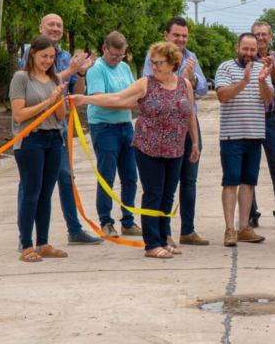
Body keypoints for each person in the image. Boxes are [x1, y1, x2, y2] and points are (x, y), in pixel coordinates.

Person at [74, 42, 200, 259]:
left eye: (159, 63)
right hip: (148, 147)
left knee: (168, 195)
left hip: (176, 149)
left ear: (172, 63)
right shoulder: (145, 84)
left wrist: (195, 142)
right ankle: (152, 244)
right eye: (152, 63)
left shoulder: (184, 84)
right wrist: (86, 99)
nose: (155, 67)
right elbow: (117, 98)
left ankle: (163, 237)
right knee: (153, 194)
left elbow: (189, 115)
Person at [19, 14, 99, 245]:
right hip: (33, 126)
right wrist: (71, 70)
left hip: (58, 125)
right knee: (29, 183)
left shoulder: (65, 56)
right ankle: (25, 236)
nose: (55, 29)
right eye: (51, 24)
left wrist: (81, 73)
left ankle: (74, 229)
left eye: (59, 26)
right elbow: (41, 80)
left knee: (65, 175)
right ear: (40, 27)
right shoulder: (31, 53)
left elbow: (76, 90)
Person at [143, 17, 210, 247]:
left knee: (188, 179)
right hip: (161, 130)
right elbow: (150, 83)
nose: (181, 40)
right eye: (177, 35)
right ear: (166, 35)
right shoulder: (156, 56)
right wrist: (181, 75)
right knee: (164, 185)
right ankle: (164, 233)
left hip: (187, 124)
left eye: (184, 36)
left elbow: (202, 89)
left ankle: (188, 230)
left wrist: (192, 77)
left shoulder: (192, 57)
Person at [10, 36, 69, 262]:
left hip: (54, 139)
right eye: (44, 56)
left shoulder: (53, 79)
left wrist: (58, 101)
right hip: (30, 141)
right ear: (32, 53)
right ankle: (26, 244)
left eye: (52, 57)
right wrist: (48, 102)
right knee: (31, 192)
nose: (47, 61)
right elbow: (19, 114)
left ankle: (43, 242)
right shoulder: (21, 78)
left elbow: (61, 116)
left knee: (46, 193)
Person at [216, 33, 273, 247]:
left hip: (255, 134)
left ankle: (244, 227)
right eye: (245, 49)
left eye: (252, 49)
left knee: (249, 182)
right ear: (237, 48)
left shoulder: (261, 69)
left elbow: (269, 99)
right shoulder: (225, 68)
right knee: (230, 182)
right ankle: (230, 229)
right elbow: (222, 96)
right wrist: (244, 81)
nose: (249, 54)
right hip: (232, 135)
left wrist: (260, 81)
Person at [84, 31, 139, 238]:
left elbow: (135, 93)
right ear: (104, 49)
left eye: (121, 55)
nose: (117, 60)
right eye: (113, 55)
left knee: (130, 177)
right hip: (104, 128)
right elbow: (100, 99)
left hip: (126, 125)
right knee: (106, 176)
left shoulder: (124, 68)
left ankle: (128, 220)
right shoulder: (96, 69)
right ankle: (106, 221)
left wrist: (125, 101)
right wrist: (125, 102)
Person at [250, 20, 275, 230]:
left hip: (273, 118)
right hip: (251, 118)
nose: (261, 38)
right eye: (257, 34)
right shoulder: (246, 57)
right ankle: (251, 213)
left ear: (271, 36)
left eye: (264, 34)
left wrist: (272, 67)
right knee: (250, 168)